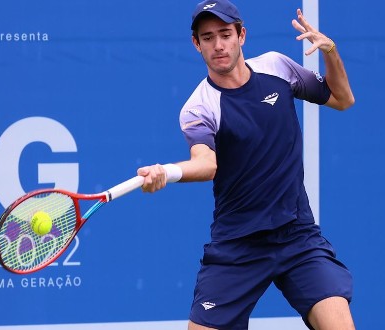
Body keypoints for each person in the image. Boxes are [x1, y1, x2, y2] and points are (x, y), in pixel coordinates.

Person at [137, 0, 356, 329]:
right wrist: (167, 172)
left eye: (225, 34)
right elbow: (206, 164)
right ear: (196, 44)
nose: (218, 45)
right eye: (207, 37)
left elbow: (342, 99)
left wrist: (331, 52)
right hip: (237, 245)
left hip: (297, 236)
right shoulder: (199, 107)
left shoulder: (277, 68)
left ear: (242, 35)